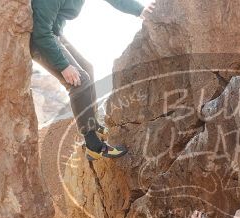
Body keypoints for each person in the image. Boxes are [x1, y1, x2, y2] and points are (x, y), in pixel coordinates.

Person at [30, 0, 156, 160]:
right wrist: (63, 66)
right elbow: (40, 33)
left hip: (54, 33)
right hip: (40, 40)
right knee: (79, 81)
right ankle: (93, 145)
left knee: (87, 69)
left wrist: (139, 10)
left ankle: (92, 123)